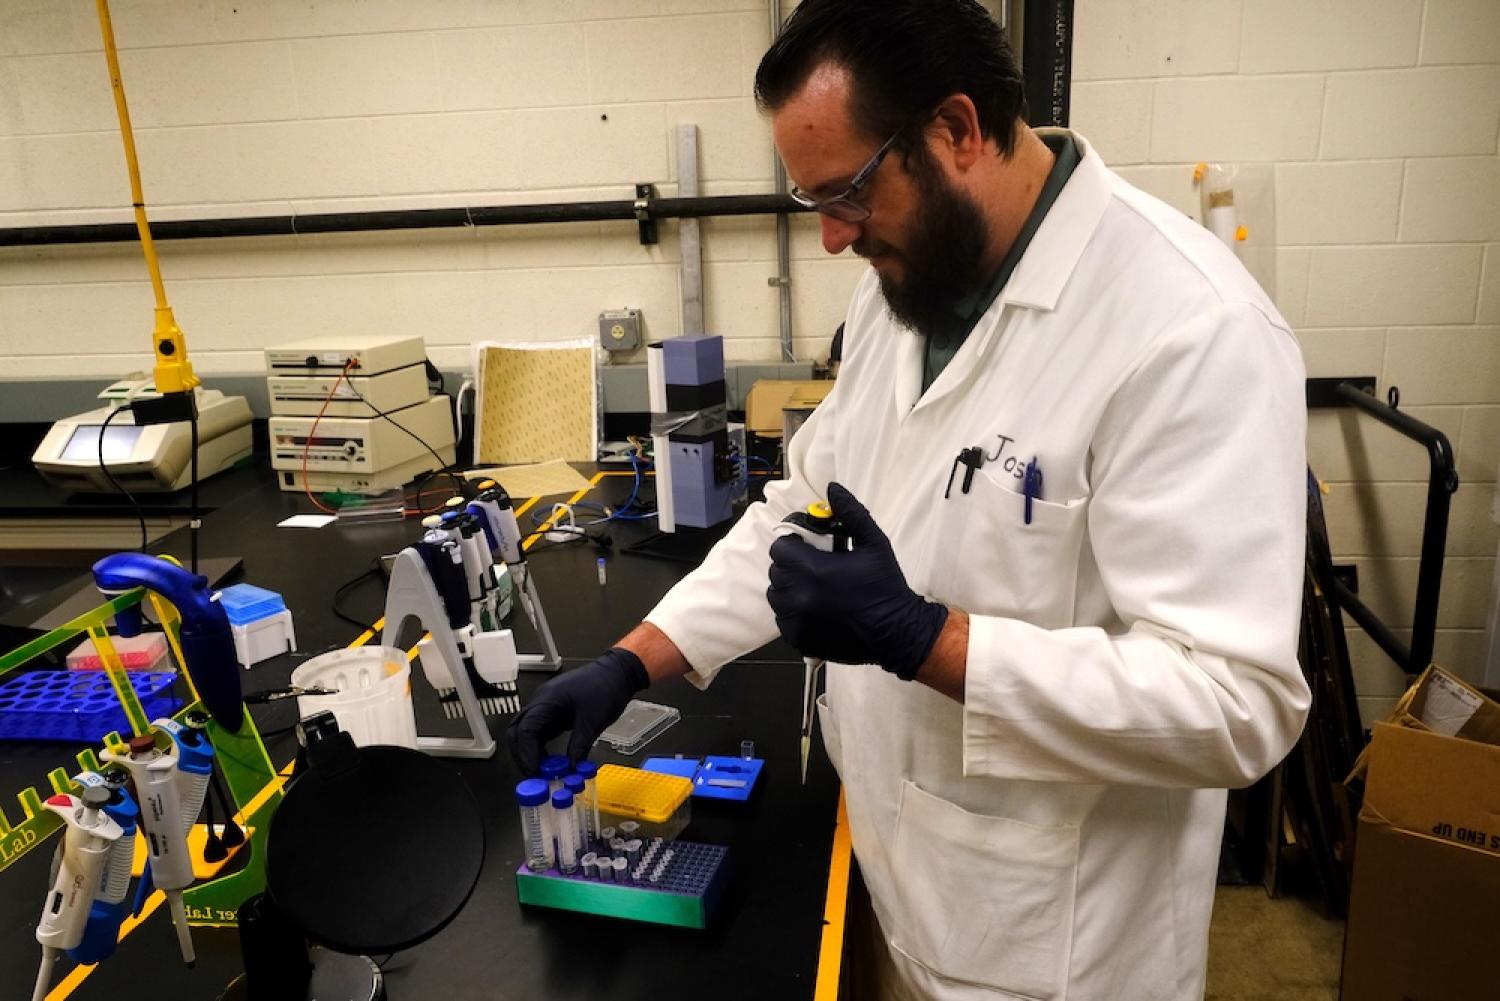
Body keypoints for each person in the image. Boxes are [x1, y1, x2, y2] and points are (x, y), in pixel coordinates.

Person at [509, 1, 1311, 997]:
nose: (836, 239)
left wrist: (930, 639)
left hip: (1062, 943)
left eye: (847, 191)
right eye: (816, 204)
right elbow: (799, 510)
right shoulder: (903, 286)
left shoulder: (1191, 329)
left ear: (959, 130)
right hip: (901, 881)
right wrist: (637, 658)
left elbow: (1237, 705)